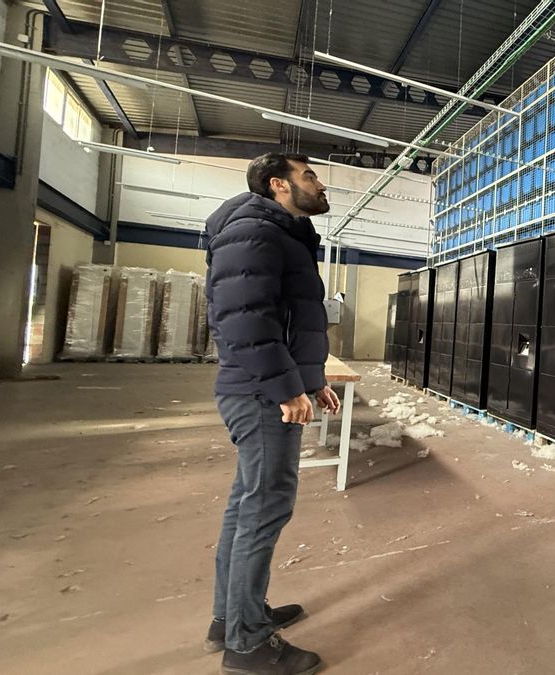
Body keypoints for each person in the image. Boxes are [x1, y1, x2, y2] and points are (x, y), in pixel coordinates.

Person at [203, 153, 339, 675]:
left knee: (247, 506)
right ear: (278, 184)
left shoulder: (278, 234)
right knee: (264, 510)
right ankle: (248, 644)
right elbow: (244, 319)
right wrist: (286, 389)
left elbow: (285, 317)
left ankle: (231, 617)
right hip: (260, 395)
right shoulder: (255, 232)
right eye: (309, 176)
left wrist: (310, 380)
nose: (320, 183)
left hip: (263, 388)